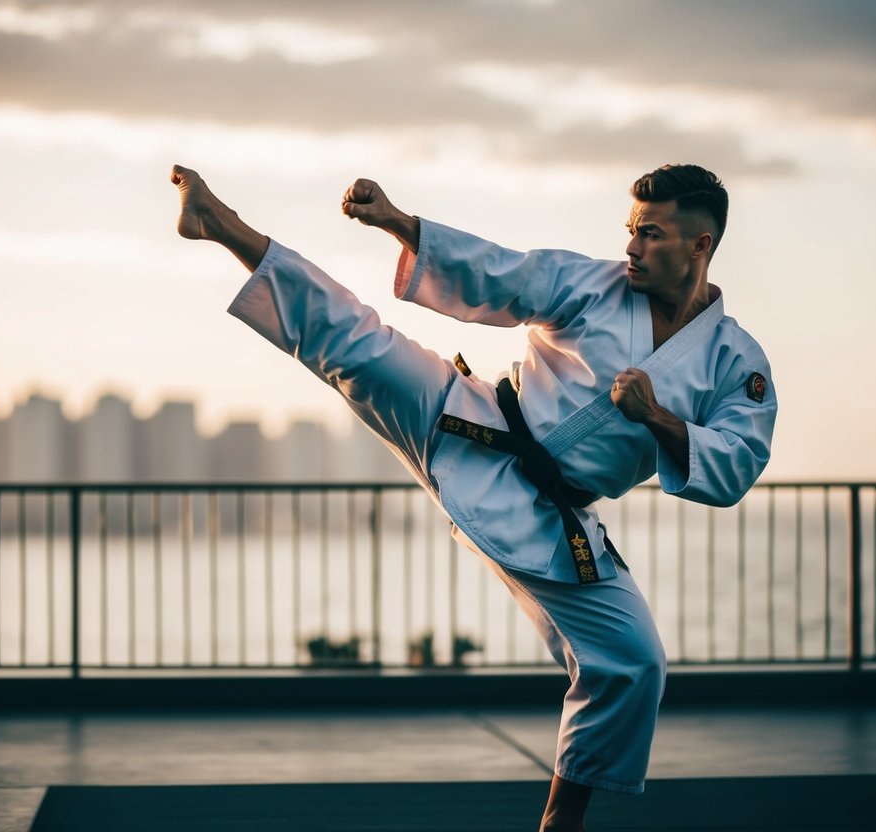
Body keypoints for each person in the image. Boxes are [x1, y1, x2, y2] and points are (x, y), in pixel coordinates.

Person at [170, 162, 777, 832]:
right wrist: (399, 223)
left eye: (651, 235)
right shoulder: (591, 284)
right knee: (351, 337)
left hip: (553, 519)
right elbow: (501, 272)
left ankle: (559, 823)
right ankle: (219, 223)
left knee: (633, 662)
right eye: (629, 231)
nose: (630, 248)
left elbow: (738, 461)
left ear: (699, 245)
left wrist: (658, 417)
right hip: (468, 426)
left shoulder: (733, 361)